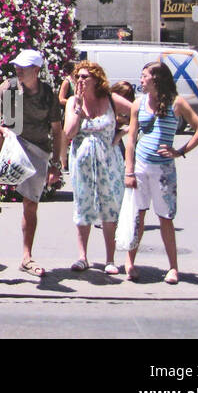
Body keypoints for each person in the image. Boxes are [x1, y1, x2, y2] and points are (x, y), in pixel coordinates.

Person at [0, 49, 63, 277]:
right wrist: (3, 129)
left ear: (36, 70)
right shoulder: (9, 88)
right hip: (13, 142)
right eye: (17, 66)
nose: (18, 70)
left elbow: (57, 131)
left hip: (38, 149)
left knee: (30, 205)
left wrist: (56, 164)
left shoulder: (48, 95)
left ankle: (26, 257)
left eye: (23, 67)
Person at [123, 63, 198, 284]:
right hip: (141, 166)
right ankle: (130, 261)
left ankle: (173, 267)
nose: (141, 80)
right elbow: (131, 139)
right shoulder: (138, 104)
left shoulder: (176, 103)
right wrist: (129, 170)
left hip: (163, 169)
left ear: (156, 79)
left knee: (165, 217)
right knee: (138, 215)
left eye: (144, 77)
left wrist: (180, 151)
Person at [64, 61, 132, 273]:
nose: (81, 80)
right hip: (82, 164)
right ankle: (82, 256)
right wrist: (77, 109)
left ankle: (110, 259)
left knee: (109, 210)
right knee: (83, 208)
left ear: (96, 79)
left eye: (86, 77)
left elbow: (138, 112)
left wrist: (122, 133)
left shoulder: (110, 99)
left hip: (109, 163)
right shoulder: (73, 102)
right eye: (79, 77)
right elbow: (69, 133)